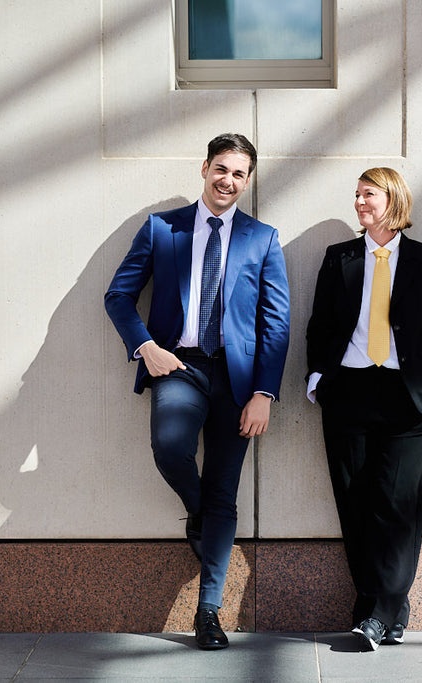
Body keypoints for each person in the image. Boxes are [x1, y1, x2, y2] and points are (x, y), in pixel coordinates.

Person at [104, 133, 290, 650]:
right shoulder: (162, 229)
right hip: (178, 365)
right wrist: (146, 347)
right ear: (204, 168)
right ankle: (199, 509)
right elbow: (119, 296)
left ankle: (209, 612)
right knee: (170, 447)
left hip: (237, 380)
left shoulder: (263, 238)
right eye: (221, 169)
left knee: (226, 488)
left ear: (247, 181)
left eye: (239, 174)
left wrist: (264, 394)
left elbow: (276, 325)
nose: (228, 181)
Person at [305, 167, 422, 651]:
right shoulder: (341, 258)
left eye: (367, 194)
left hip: (408, 396)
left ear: (392, 199)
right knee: (355, 504)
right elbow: (321, 324)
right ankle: (388, 609)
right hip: (348, 392)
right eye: (355, 194)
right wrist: (317, 379)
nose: (358, 202)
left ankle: (373, 614)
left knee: (397, 506)